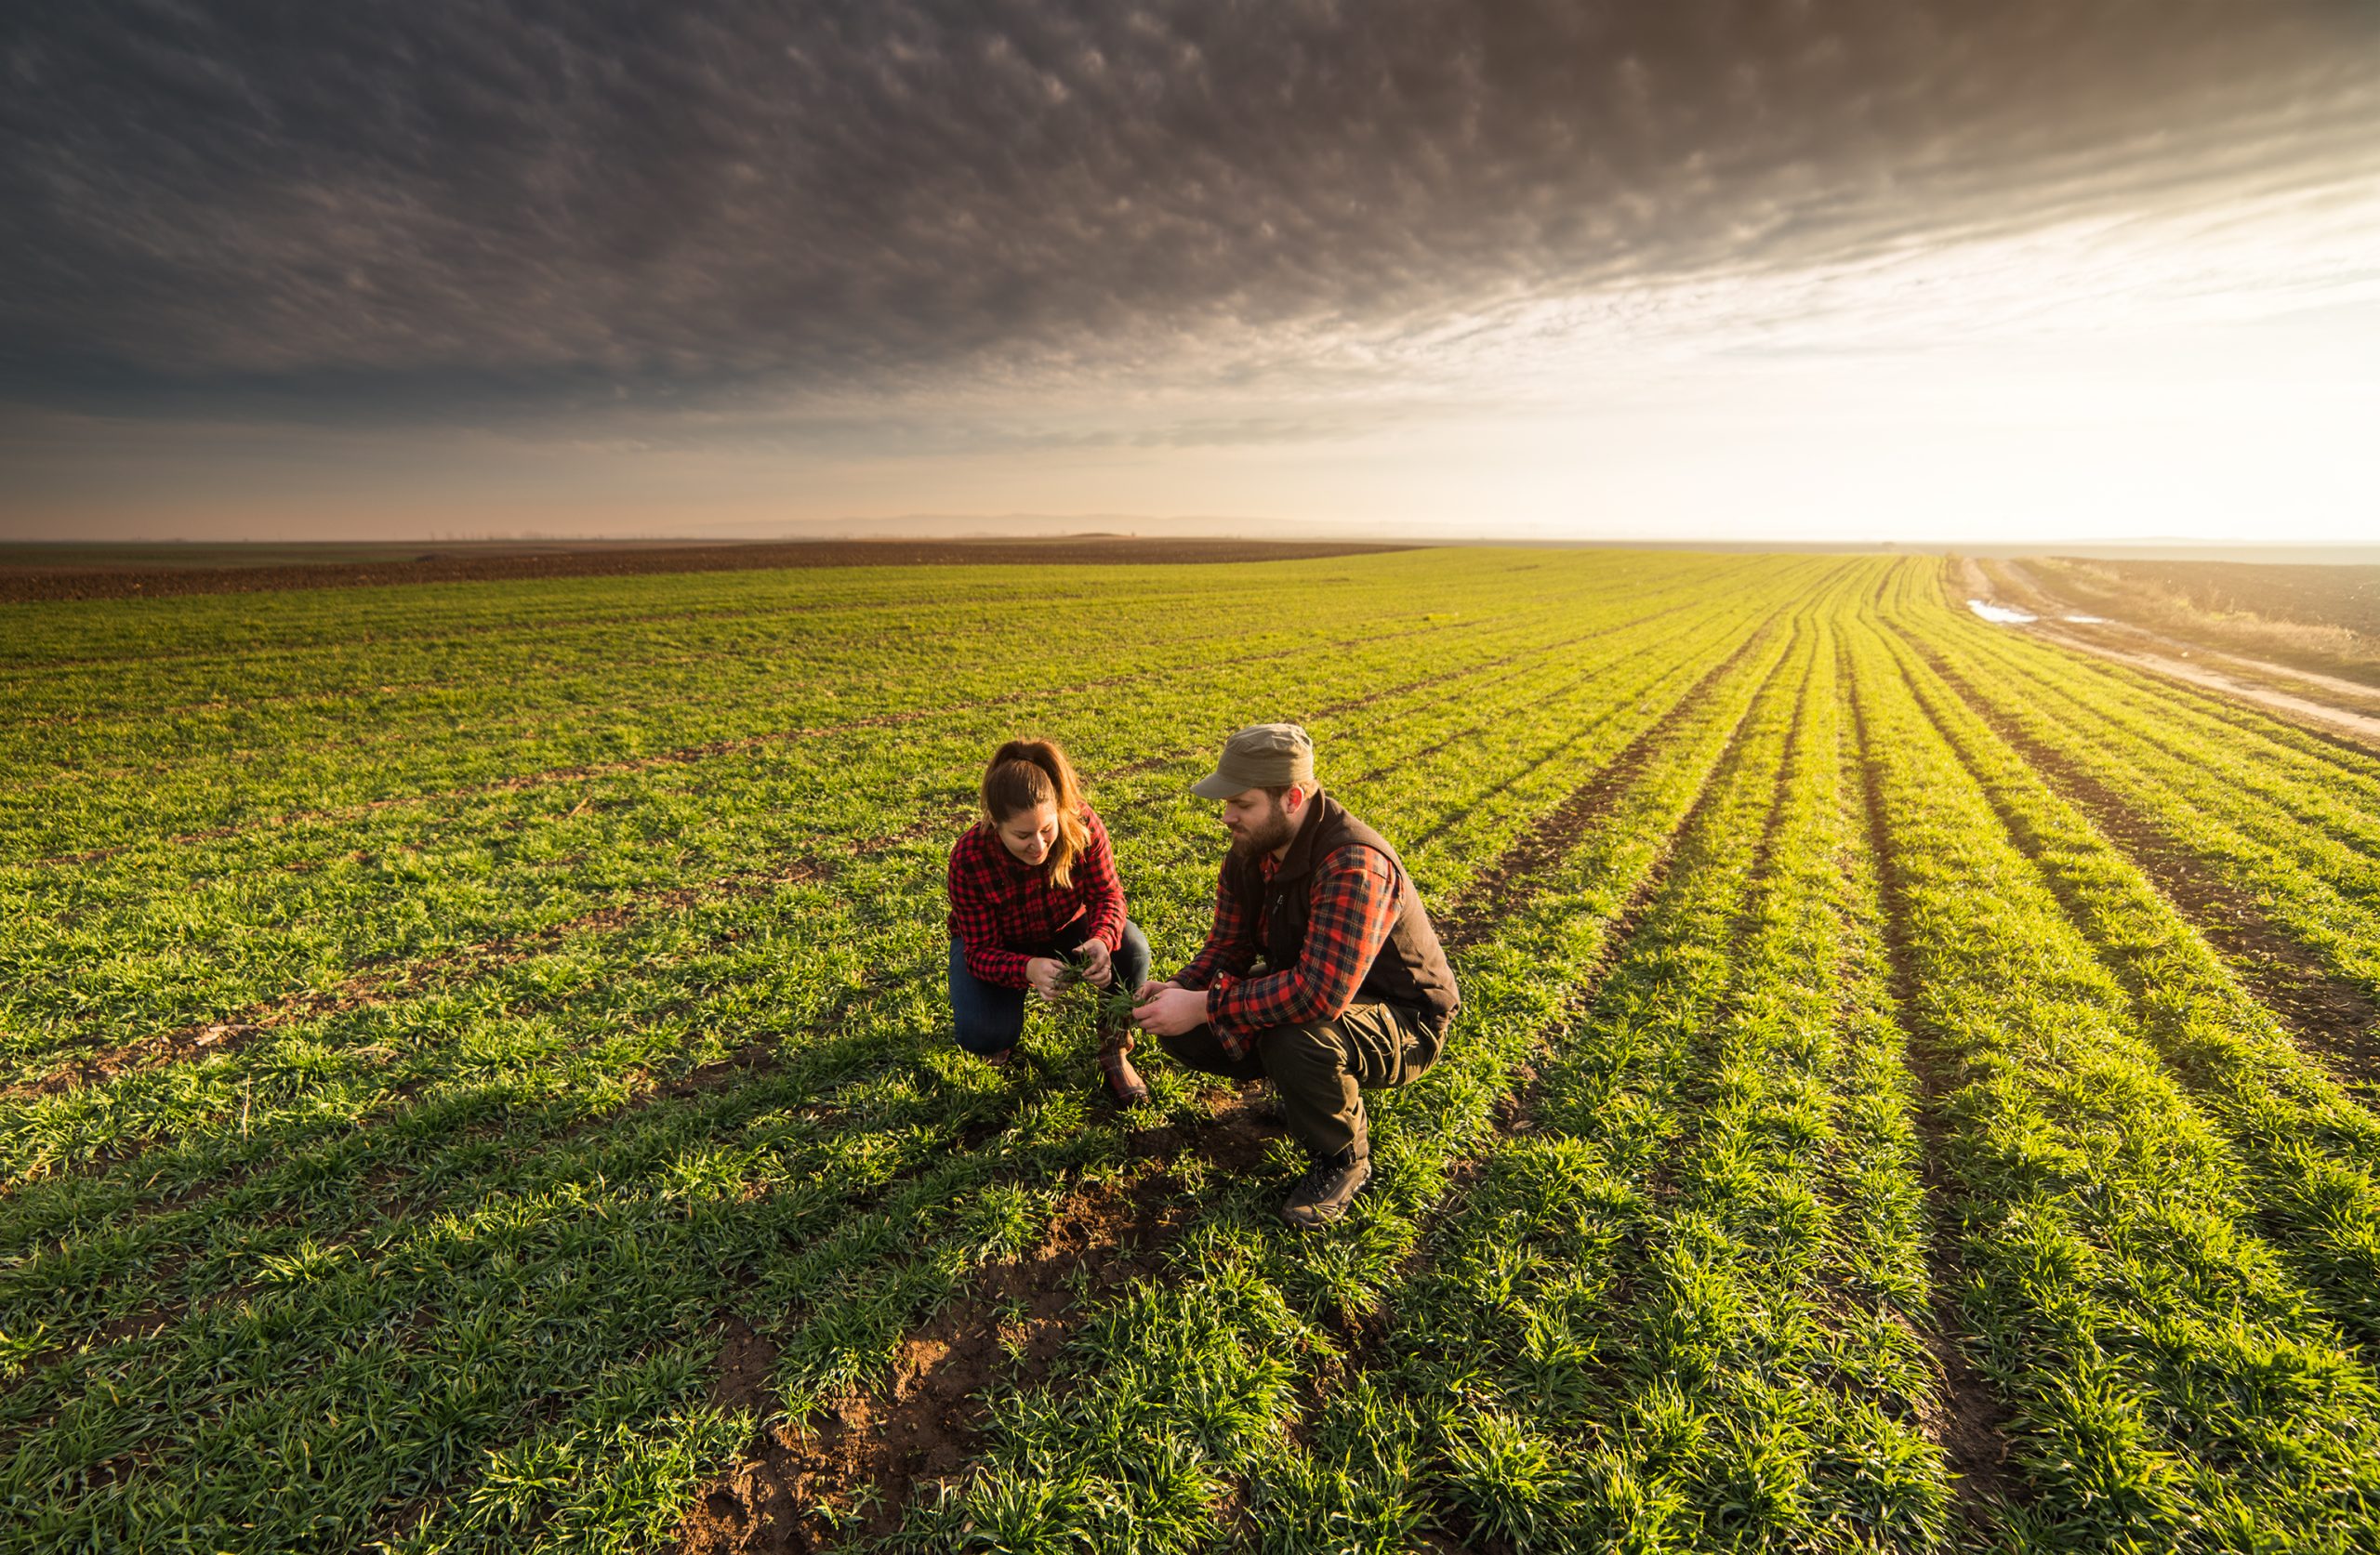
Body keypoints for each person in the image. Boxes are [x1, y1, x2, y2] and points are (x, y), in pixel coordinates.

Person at [1132, 723, 1459, 1229]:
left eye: (1242, 803)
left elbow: (1318, 994)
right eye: (1227, 803)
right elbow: (1227, 948)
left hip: (1404, 1018)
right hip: (1320, 988)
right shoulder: (1249, 853)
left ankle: (1343, 1159)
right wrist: (1181, 988)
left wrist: (1203, 1005)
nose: (1228, 817)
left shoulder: (1354, 863)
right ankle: (1304, 1094)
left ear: (1294, 797)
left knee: (1295, 1036)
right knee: (1194, 1031)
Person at [947, 738, 1153, 1103]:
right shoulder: (969, 856)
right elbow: (978, 952)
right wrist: (1027, 968)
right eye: (1023, 835)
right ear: (995, 823)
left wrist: (1102, 941)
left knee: (1132, 950)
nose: (1039, 846)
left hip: (1066, 927)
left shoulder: (1082, 824)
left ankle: (1114, 1045)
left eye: (1046, 829)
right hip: (1003, 944)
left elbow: (1108, 896)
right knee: (983, 1034)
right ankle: (1000, 1036)